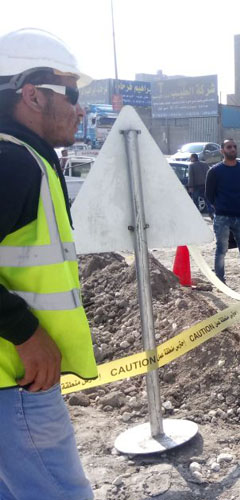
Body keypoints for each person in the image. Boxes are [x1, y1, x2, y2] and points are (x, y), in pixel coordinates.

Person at [0, 28, 98, 500]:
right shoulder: (12, 162)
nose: (80, 108)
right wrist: (25, 332)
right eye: (71, 94)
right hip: (17, 380)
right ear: (33, 95)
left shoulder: (27, 158)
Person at [205, 139, 240, 292]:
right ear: (222, 150)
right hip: (222, 217)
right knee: (221, 250)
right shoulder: (214, 171)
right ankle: (220, 282)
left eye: (234, 146)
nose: (233, 149)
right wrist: (219, 206)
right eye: (229, 147)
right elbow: (209, 194)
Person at [187, 152, 212, 216]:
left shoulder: (191, 165)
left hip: (196, 186)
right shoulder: (205, 164)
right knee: (207, 201)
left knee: (195, 201)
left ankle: (197, 215)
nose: (190, 159)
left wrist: (190, 187)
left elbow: (191, 177)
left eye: (190, 158)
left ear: (193, 158)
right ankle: (211, 213)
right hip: (205, 185)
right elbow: (209, 174)